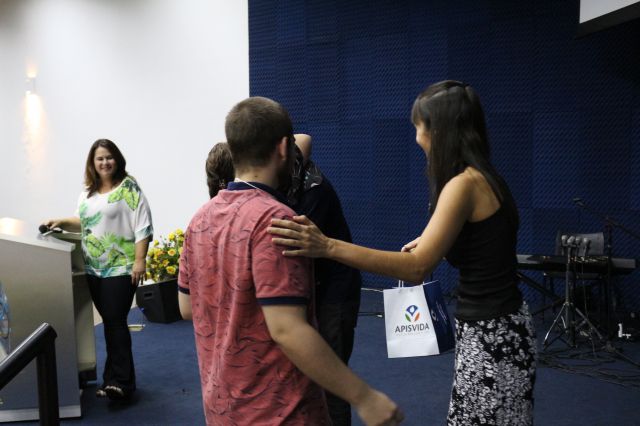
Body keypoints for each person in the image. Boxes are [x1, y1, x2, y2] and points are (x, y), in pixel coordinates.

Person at [268, 81, 538, 426]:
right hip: (502, 326)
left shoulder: (462, 184)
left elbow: (415, 268)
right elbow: (482, 242)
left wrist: (327, 246)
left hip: (492, 335)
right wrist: (432, 239)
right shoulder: (484, 176)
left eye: (419, 127)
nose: (417, 138)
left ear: (439, 130)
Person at [179, 96, 403, 426]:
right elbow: (287, 329)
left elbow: (187, 308)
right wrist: (364, 397)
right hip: (280, 411)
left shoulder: (199, 219)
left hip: (222, 407)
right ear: (284, 148)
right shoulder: (278, 221)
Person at [205, 136, 363, 426]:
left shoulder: (298, 201)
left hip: (333, 291)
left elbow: (284, 258)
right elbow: (303, 138)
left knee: (330, 376)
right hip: (311, 288)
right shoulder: (285, 165)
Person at [43, 139, 153, 401]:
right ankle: (111, 379)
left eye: (109, 157)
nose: (105, 162)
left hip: (121, 268)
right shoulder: (88, 193)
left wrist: (140, 260)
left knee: (115, 321)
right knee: (111, 323)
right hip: (95, 270)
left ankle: (123, 383)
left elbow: (143, 226)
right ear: (92, 163)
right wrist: (61, 221)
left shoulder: (129, 188)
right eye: (100, 158)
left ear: (117, 159)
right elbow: (84, 221)